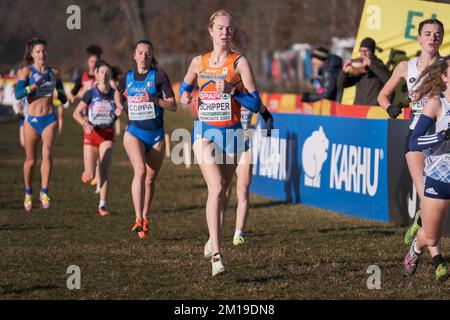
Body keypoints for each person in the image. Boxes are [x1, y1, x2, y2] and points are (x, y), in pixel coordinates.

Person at [179, 10, 267, 276]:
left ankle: (212, 236)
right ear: (210, 30)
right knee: (215, 186)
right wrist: (185, 96)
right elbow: (184, 88)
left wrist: (234, 91)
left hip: (232, 134)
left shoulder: (239, 63)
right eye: (220, 28)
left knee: (225, 190)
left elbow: (256, 103)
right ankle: (217, 255)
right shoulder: (198, 62)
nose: (225, 32)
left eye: (229, 28)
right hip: (204, 132)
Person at [377, 19, 444, 274]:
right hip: (416, 136)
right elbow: (382, 95)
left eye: (438, 34)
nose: (433, 38)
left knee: (432, 204)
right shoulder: (407, 66)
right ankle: (437, 260)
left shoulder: (445, 67)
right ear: (419, 38)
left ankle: (415, 249)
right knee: (427, 197)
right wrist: (391, 108)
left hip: (440, 137)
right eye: (427, 34)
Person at [115, 40, 176, 239]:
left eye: (147, 53)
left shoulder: (159, 76)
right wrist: (120, 106)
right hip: (134, 132)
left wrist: (154, 100)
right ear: (134, 55)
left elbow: (173, 105)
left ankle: (145, 217)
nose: (144, 56)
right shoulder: (128, 77)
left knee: (150, 179)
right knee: (140, 170)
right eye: (140, 53)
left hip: (156, 135)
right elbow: (118, 93)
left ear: (152, 55)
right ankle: (137, 218)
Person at [403, 56, 450, 282]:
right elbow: (414, 142)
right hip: (439, 178)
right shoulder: (436, 103)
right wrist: (439, 136)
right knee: (431, 237)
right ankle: (416, 248)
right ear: (444, 77)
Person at [15, 37, 67, 211]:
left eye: (44, 51)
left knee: (47, 153)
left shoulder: (54, 73)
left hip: (49, 119)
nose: (41, 54)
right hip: (32, 120)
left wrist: (62, 95)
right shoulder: (26, 72)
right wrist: (34, 85)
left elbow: (60, 91)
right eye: (38, 51)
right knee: (30, 160)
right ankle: (28, 192)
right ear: (32, 53)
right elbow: (18, 94)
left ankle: (44, 191)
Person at [222, 104, 273, 247]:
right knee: (223, 189)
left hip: (245, 146)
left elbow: (266, 114)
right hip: (226, 145)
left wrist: (268, 126)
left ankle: (238, 234)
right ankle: (217, 229)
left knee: (243, 190)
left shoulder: (251, 97)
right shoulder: (226, 93)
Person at [73, 61, 118, 216]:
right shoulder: (90, 93)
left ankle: (103, 205)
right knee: (91, 175)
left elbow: (123, 110)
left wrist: (120, 113)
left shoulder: (115, 94)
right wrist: (85, 123)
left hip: (107, 135)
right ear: (96, 75)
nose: (104, 75)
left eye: (107, 72)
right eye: (101, 72)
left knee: (104, 171)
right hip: (92, 135)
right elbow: (76, 113)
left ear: (110, 75)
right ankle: (88, 173)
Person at [71, 45, 103, 191]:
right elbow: (74, 92)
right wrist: (77, 95)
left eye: (96, 62)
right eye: (91, 62)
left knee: (100, 146)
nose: (93, 65)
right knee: (93, 144)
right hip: (86, 116)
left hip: (100, 115)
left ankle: (95, 175)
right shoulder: (83, 77)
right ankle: (90, 171)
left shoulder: (102, 77)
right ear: (88, 62)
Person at [337, 37, 390, 105]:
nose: (363, 53)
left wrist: (370, 65)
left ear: (372, 51)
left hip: (373, 109)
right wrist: (344, 72)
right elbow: (341, 85)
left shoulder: (379, 64)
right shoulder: (359, 67)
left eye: (366, 50)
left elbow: (388, 80)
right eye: (361, 50)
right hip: (358, 109)